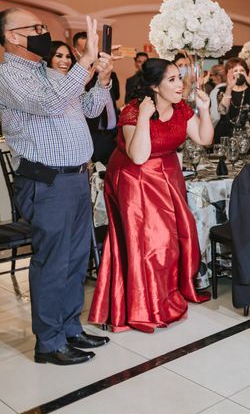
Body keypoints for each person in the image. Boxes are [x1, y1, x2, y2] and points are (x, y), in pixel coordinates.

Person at [0, 9, 112, 365]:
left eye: (43, 27)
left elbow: (90, 110)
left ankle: (69, 328)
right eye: (35, 28)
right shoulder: (7, 76)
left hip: (77, 177)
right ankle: (48, 342)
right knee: (53, 262)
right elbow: (48, 105)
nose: (42, 32)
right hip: (48, 182)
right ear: (14, 37)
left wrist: (103, 80)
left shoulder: (48, 73)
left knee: (77, 258)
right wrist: (86, 62)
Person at [88, 58, 213, 333]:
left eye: (179, 77)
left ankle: (165, 295)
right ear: (155, 87)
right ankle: (143, 305)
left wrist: (204, 109)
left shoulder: (181, 108)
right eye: (172, 80)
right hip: (135, 178)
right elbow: (138, 155)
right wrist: (145, 117)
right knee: (148, 242)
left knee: (175, 237)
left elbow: (204, 139)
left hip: (168, 174)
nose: (180, 84)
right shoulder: (134, 111)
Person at [74, 31, 120, 165]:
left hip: (113, 133)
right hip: (93, 134)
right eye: (85, 52)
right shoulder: (76, 76)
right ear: (75, 51)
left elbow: (115, 96)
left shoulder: (108, 73)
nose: (90, 56)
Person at [214, 57, 250, 142]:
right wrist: (229, 88)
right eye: (235, 71)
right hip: (229, 136)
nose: (239, 73)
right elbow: (223, 111)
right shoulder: (223, 91)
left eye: (242, 70)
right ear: (229, 74)